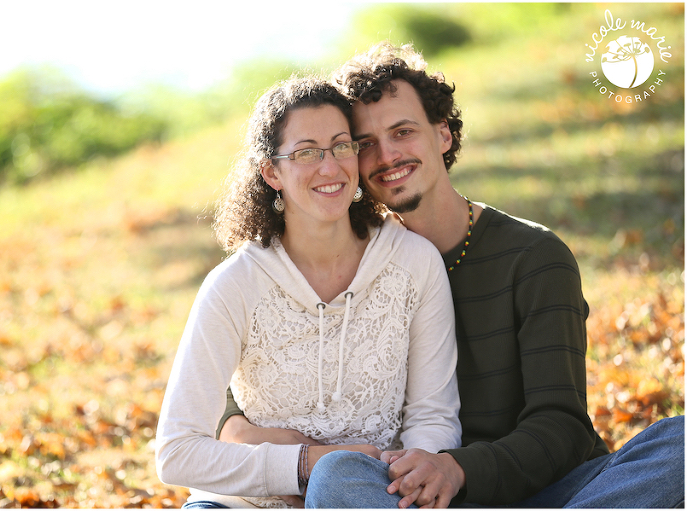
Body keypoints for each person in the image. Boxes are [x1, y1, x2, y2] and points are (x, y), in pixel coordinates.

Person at [218, 44, 685, 508]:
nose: (387, 156)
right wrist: (234, 423)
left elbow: (560, 427)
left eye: (403, 132)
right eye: (363, 145)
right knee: (338, 478)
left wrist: (458, 467)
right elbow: (251, 377)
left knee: (680, 443)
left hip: (553, 493)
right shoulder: (348, 260)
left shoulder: (535, 257)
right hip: (411, 497)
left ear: (442, 134)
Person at [155, 76, 462, 509]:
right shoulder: (234, 285)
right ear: (271, 172)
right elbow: (176, 452)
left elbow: (434, 415)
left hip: (370, 493)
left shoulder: (413, 262)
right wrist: (301, 465)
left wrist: (408, 474)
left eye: (341, 146)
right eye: (306, 153)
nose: (330, 166)